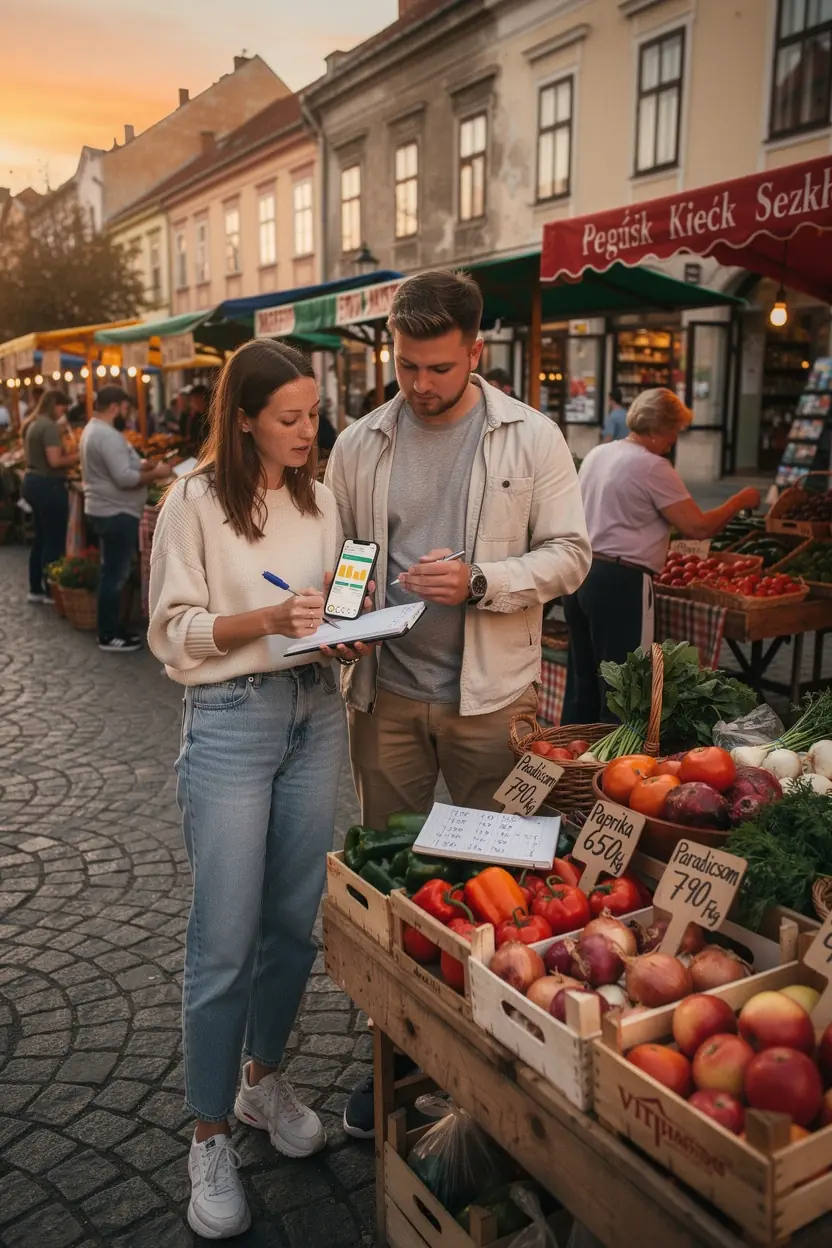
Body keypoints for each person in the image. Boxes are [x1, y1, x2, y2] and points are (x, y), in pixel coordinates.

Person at [326, 268, 590, 1137]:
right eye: (406, 366)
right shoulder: (360, 441)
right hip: (387, 696)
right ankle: (392, 1050)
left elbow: (571, 555)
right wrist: (343, 619)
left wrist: (482, 581)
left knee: (497, 884)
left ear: (478, 352)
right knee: (391, 884)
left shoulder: (531, 436)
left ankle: (487, 1059)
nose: (422, 385)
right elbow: (350, 556)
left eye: (439, 368)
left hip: (491, 700)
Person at [147, 339, 372, 1240]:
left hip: (316, 708)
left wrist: (346, 628)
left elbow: (334, 601)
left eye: (313, 414)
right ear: (242, 419)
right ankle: (207, 1135)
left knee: (291, 924)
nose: (307, 431)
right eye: (288, 417)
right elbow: (174, 629)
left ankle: (261, 1081)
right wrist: (271, 619)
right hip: (232, 720)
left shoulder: (320, 500)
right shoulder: (193, 502)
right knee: (225, 939)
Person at [562, 388, 761, 723]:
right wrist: (739, 501)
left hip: (579, 571)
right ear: (657, 428)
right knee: (625, 686)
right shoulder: (653, 466)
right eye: (674, 431)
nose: (674, 440)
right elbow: (697, 527)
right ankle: (613, 767)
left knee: (583, 680)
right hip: (620, 580)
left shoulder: (600, 452)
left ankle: (573, 758)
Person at [79, 386, 170, 652]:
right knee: (115, 574)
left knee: (111, 571)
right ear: (115, 407)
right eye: (125, 409)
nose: (127, 414)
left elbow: (118, 470)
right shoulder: (105, 435)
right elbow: (123, 478)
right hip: (115, 512)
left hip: (107, 509)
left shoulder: (93, 430)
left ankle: (110, 629)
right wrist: (157, 473)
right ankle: (108, 634)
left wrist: (142, 466)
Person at [21, 389, 78, 603]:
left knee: (42, 537)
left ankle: (35, 587)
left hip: (32, 482)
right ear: (55, 404)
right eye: (63, 407)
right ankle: (49, 590)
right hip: (48, 485)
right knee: (54, 537)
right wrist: (78, 454)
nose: (64, 412)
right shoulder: (49, 426)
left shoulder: (34, 423)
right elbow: (55, 461)